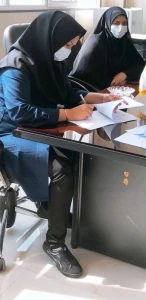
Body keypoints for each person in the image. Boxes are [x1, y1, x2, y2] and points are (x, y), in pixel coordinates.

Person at [0, 10, 120, 278]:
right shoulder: (15, 66)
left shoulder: (48, 59)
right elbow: (19, 112)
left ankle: (55, 209)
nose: (70, 50)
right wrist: (67, 114)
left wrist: (100, 99)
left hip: (41, 127)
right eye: (67, 45)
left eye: (72, 45)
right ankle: (54, 242)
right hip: (12, 134)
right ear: (50, 39)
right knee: (62, 166)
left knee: (83, 154)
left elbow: (65, 90)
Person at [70, 6, 145, 90]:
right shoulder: (95, 45)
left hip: (117, 90)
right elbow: (85, 77)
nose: (121, 27)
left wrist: (125, 74)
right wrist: (111, 81)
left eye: (124, 23)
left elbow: (140, 65)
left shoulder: (124, 42)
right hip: (90, 91)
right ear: (107, 24)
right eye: (116, 23)